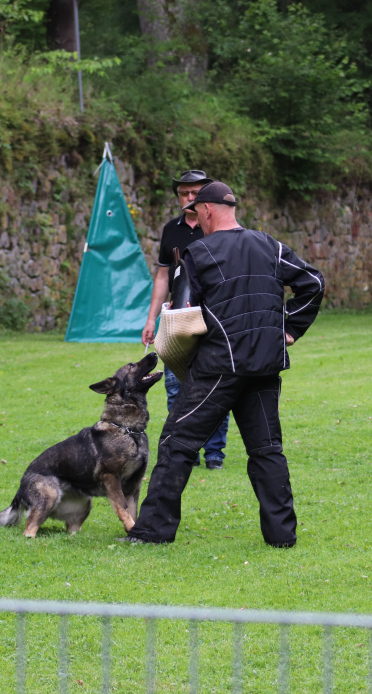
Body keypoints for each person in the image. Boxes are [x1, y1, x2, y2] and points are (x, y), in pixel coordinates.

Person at [122, 181, 324, 547]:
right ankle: (282, 537)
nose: (196, 221)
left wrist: (178, 355)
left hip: (218, 367)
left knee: (177, 442)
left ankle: (152, 532)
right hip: (265, 364)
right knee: (266, 450)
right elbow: (313, 282)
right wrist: (290, 328)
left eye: (197, 213)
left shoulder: (198, 253)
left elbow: (182, 316)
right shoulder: (271, 245)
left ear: (208, 210)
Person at [142, 169, 230, 470]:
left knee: (215, 384)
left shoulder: (220, 227)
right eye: (184, 193)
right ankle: (185, 450)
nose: (189, 198)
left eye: (195, 192)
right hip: (177, 318)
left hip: (213, 315)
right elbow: (163, 276)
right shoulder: (171, 229)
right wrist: (151, 319)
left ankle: (214, 453)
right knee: (175, 386)